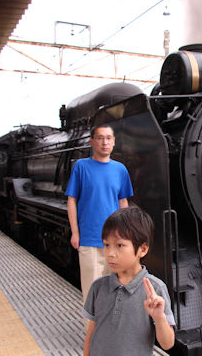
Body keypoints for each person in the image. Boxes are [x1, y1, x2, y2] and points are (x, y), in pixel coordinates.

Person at [82, 207, 175, 356]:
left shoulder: (155, 289)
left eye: (119, 245)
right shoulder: (98, 287)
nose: (110, 254)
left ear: (142, 249)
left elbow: (168, 343)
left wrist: (159, 317)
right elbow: (91, 334)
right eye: (106, 245)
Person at [65, 124, 133, 306]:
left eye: (109, 138)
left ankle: (110, 332)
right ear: (92, 142)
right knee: (91, 293)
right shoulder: (81, 167)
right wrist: (75, 233)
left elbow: (123, 203)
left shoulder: (120, 170)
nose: (105, 142)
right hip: (89, 240)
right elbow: (72, 200)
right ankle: (92, 334)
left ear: (114, 142)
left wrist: (126, 233)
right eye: (100, 138)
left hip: (115, 241)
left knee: (115, 291)